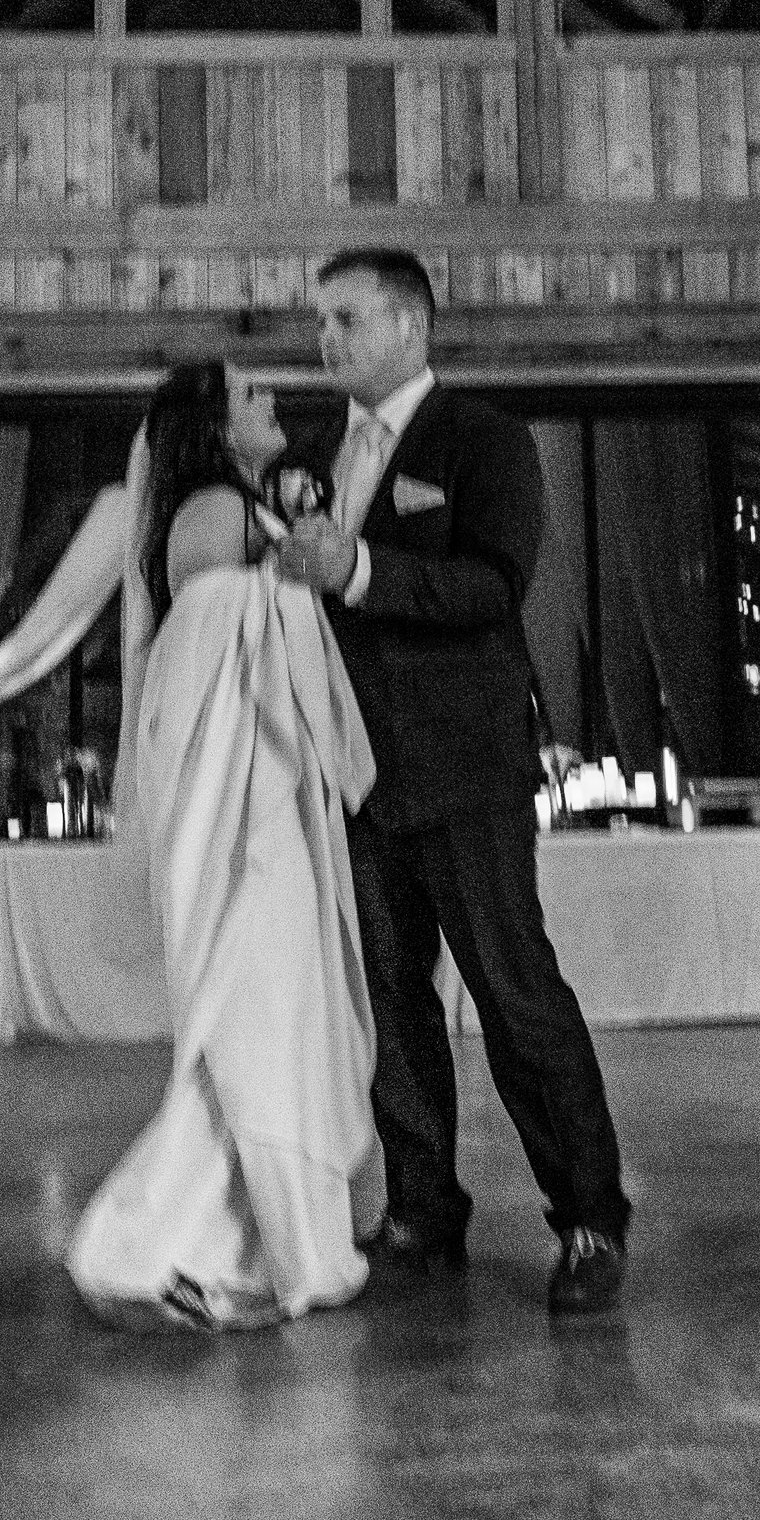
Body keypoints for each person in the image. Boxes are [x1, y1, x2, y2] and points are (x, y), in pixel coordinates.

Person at [0, 360, 382, 1331]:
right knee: (258, 1026)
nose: (271, 408)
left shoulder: (233, 508)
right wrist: (294, 572)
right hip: (249, 824)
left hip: (268, 806)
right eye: (252, 397)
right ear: (213, 428)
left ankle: (234, 1237)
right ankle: (165, 1241)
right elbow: (215, 639)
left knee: (263, 1030)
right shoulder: (211, 512)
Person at [272, 248, 631, 1318]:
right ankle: (422, 1209)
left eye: (344, 319)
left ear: (412, 325)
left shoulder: (485, 441)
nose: (323, 340)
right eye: (318, 322)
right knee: (389, 1009)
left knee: (515, 996)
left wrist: (361, 571)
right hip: (353, 776)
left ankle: (589, 1221)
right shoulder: (312, 452)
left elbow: (493, 583)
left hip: (466, 771)